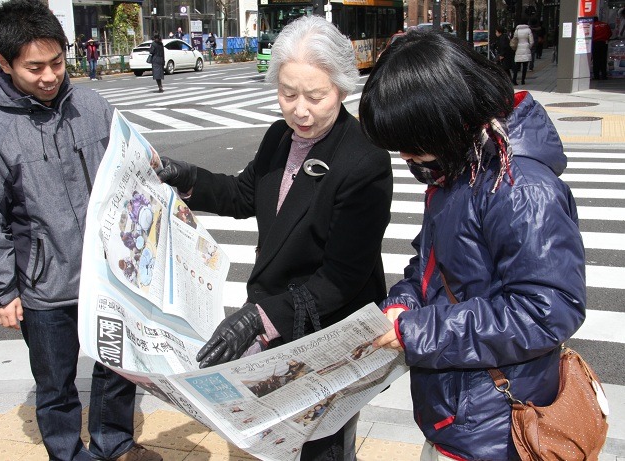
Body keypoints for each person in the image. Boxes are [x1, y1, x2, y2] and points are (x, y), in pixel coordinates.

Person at [157, 15, 392, 460]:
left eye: (315, 96)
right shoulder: (280, 137)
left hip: (328, 325)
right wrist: (188, 179)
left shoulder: (364, 161)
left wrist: (257, 318)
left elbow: (341, 278)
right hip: (278, 317)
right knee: (273, 435)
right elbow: (245, 194)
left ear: (342, 88)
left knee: (322, 441)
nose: (299, 110)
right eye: (288, 94)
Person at [360, 30, 586, 461]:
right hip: (462, 413)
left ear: (445, 119)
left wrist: (418, 331)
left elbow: (548, 310)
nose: (405, 156)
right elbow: (429, 265)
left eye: (410, 143)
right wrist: (403, 304)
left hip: (498, 424)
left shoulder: (518, 187)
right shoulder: (461, 167)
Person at [0, 1, 163, 461]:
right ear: (5, 64)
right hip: (44, 288)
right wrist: (0, 291)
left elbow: (131, 167)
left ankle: (115, 445)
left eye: (57, 62)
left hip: (111, 276)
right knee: (54, 384)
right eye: (34, 68)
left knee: (117, 369)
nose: (49, 76)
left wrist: (150, 164)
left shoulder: (92, 106)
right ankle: (67, 455)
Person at [511, 20, 533, 85]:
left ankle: (514, 79)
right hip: (526, 48)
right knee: (525, 66)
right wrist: (529, 47)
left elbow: (514, 39)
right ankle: (523, 80)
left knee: (517, 66)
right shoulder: (528, 30)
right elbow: (532, 41)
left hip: (518, 48)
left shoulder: (517, 30)